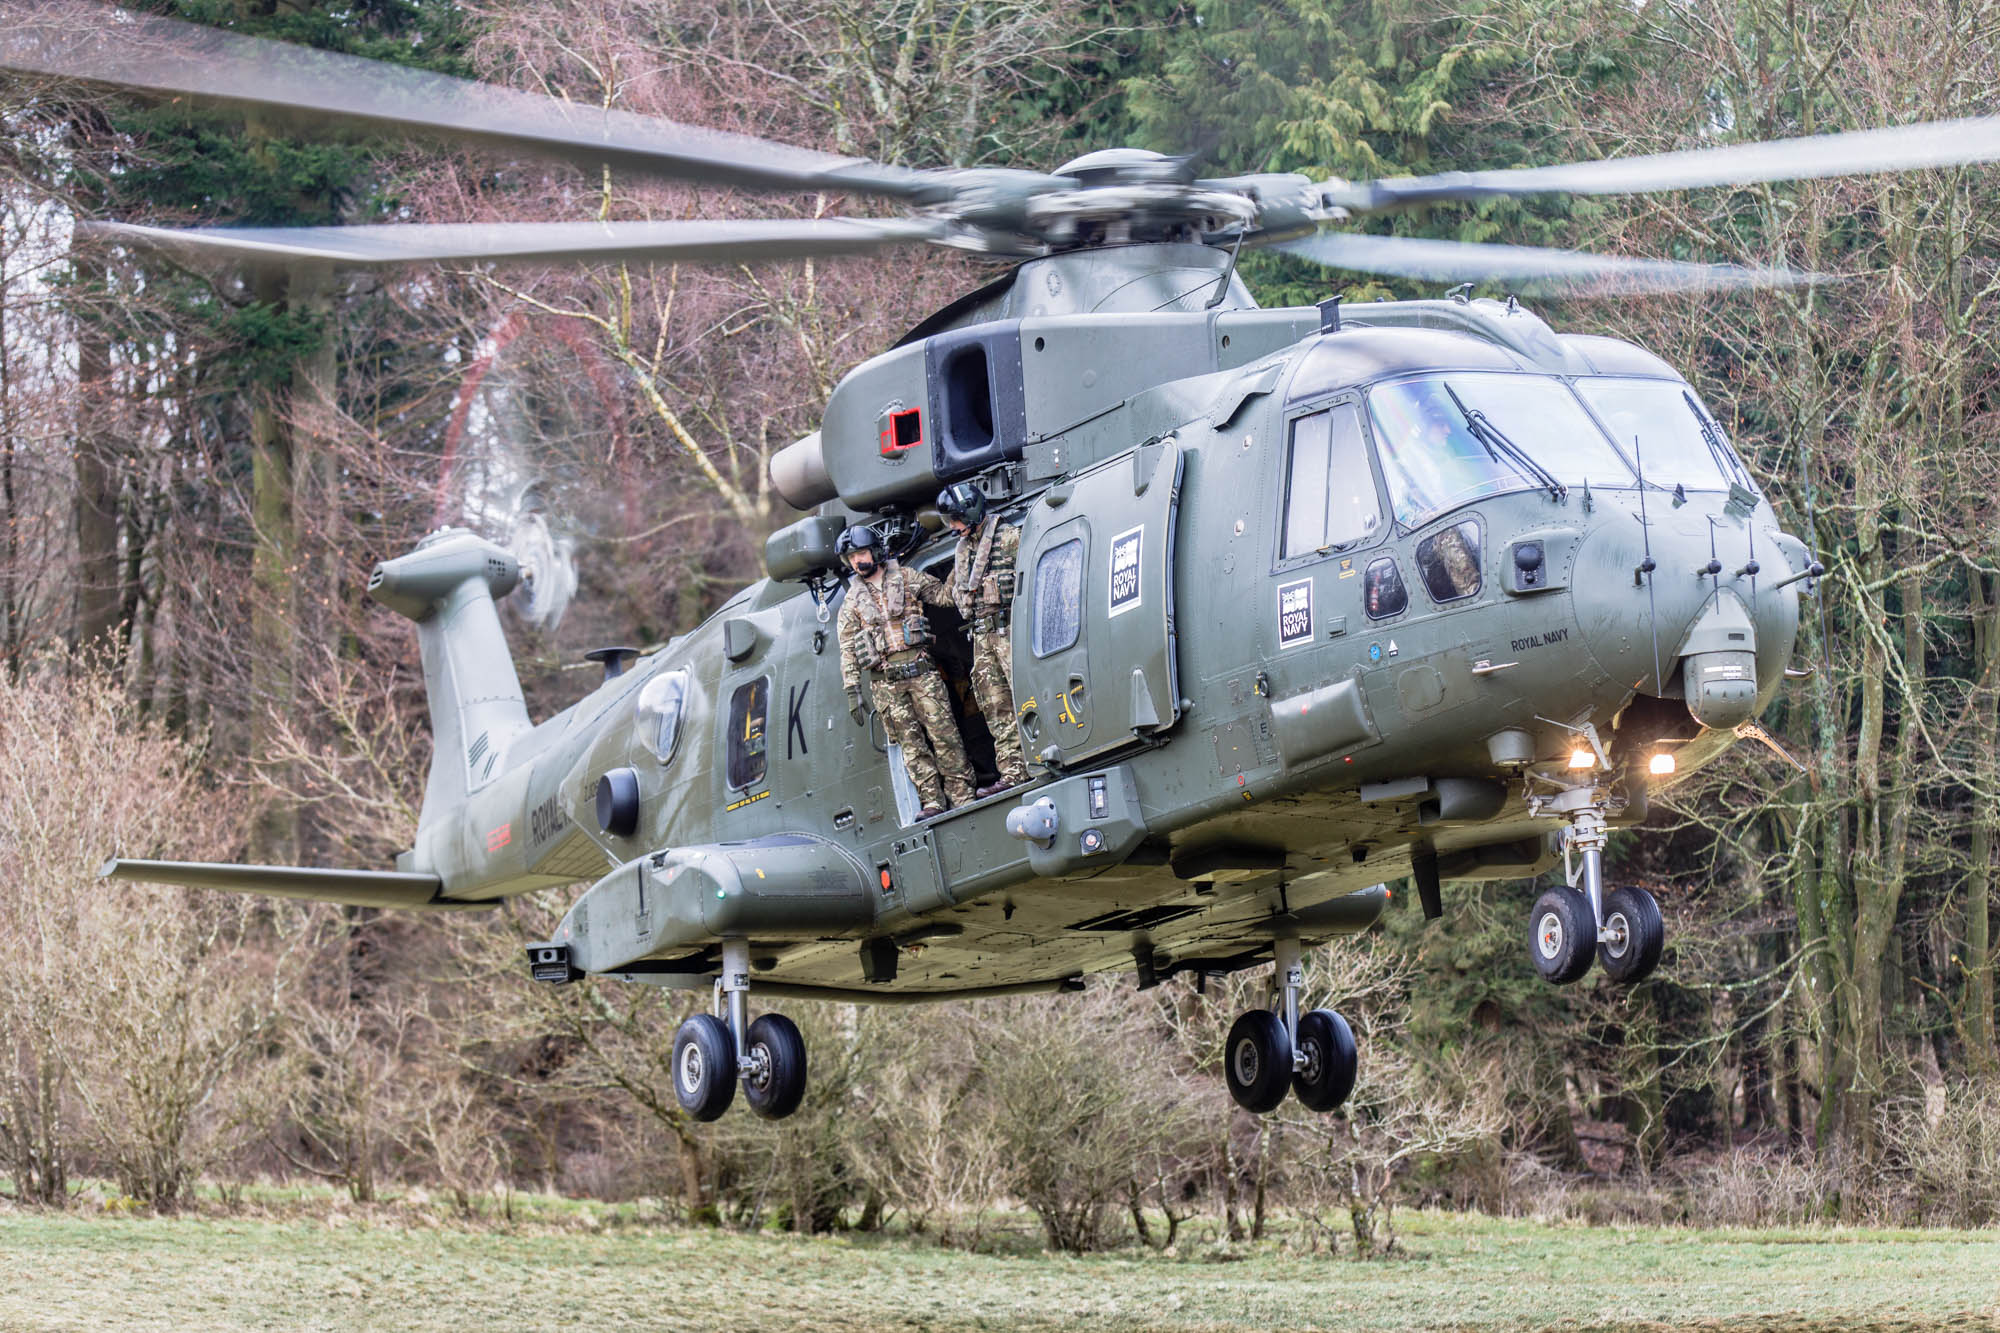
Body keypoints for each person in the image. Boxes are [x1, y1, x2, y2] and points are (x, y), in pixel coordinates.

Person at [836, 525, 975, 820]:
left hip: (922, 673)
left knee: (945, 736)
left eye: (860, 553)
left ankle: (962, 795)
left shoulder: (908, 578)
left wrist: (961, 560)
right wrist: (853, 690)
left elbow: (944, 596)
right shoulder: (851, 603)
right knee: (912, 747)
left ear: (874, 551)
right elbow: (848, 649)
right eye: (851, 557)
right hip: (887, 685)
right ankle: (932, 800)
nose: (857, 561)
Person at [937, 482, 1029, 796]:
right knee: (995, 707)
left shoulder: (1009, 538)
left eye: (956, 520)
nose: (953, 528)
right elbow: (950, 593)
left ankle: (1043, 757)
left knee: (1026, 696)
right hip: (982, 637)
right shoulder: (963, 552)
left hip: (1010, 631)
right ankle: (1014, 772)